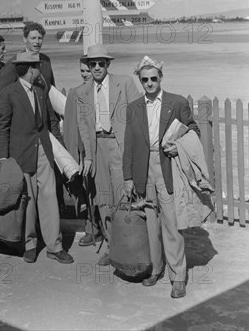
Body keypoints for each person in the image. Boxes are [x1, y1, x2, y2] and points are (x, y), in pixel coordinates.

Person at [122, 55, 200, 299]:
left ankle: (178, 277)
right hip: (143, 170)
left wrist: (179, 147)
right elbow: (130, 144)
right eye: (144, 79)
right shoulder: (133, 108)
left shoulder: (177, 103)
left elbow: (193, 130)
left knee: (171, 223)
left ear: (161, 78)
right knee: (150, 224)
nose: (149, 83)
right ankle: (155, 269)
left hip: (166, 167)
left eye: (153, 78)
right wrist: (128, 178)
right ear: (140, 80)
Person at [0, 51, 73, 264]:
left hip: (44, 150)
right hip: (20, 154)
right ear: (31, 70)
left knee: (49, 197)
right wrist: (4, 159)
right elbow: (2, 127)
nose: (41, 70)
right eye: (38, 67)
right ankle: (29, 244)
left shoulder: (41, 89)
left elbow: (51, 121)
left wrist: (61, 149)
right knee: (27, 200)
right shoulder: (9, 93)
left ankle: (54, 246)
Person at [77, 44, 140, 265]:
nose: (96, 67)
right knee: (103, 198)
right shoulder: (82, 92)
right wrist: (88, 156)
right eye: (91, 64)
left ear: (107, 64)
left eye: (100, 63)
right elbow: (84, 128)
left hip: (119, 145)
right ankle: (112, 247)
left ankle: (129, 245)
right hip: (97, 148)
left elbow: (138, 116)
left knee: (123, 195)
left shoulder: (125, 83)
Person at [63, 56, 102, 246]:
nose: (86, 74)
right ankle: (91, 227)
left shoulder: (102, 91)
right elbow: (70, 125)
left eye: (88, 70)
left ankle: (107, 227)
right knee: (87, 189)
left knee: (104, 190)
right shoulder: (75, 93)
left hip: (101, 148)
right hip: (82, 150)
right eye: (83, 71)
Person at [0, 22, 55, 97]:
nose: (37, 42)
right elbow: (0, 93)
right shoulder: (14, 63)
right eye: (33, 38)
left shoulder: (46, 60)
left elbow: (51, 87)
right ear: (25, 39)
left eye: (40, 38)